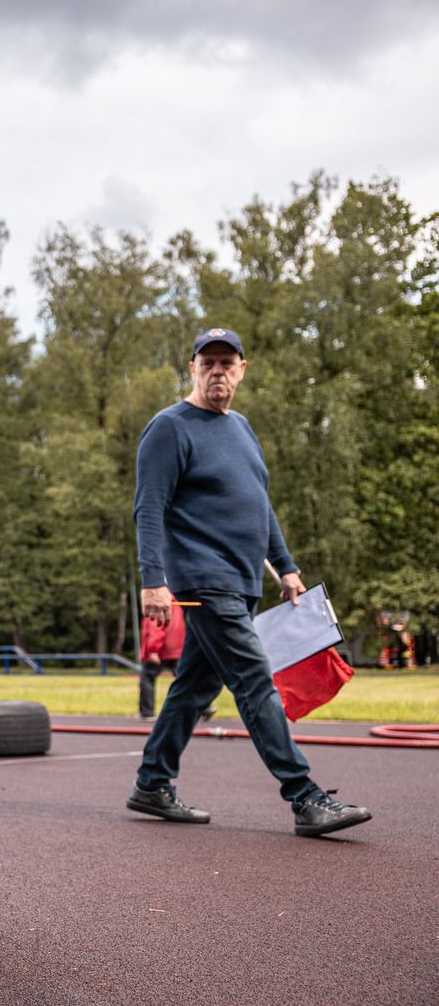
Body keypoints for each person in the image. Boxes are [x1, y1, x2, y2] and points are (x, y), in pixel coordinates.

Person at [130, 327, 371, 838]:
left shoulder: (241, 428)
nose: (217, 371)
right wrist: (152, 580)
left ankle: (151, 783)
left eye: (227, 363)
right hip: (203, 581)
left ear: (242, 369)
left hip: (242, 582)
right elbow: (148, 508)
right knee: (255, 681)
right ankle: (305, 797)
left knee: (194, 688)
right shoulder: (169, 428)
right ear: (192, 368)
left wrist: (286, 566)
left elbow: (259, 505)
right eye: (208, 363)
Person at [137, 601, 185, 719]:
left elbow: (155, 624)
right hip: (176, 647)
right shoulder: (176, 600)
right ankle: (204, 707)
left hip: (161, 649)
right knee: (185, 679)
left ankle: (147, 712)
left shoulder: (156, 599)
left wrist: (153, 649)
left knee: (147, 678)